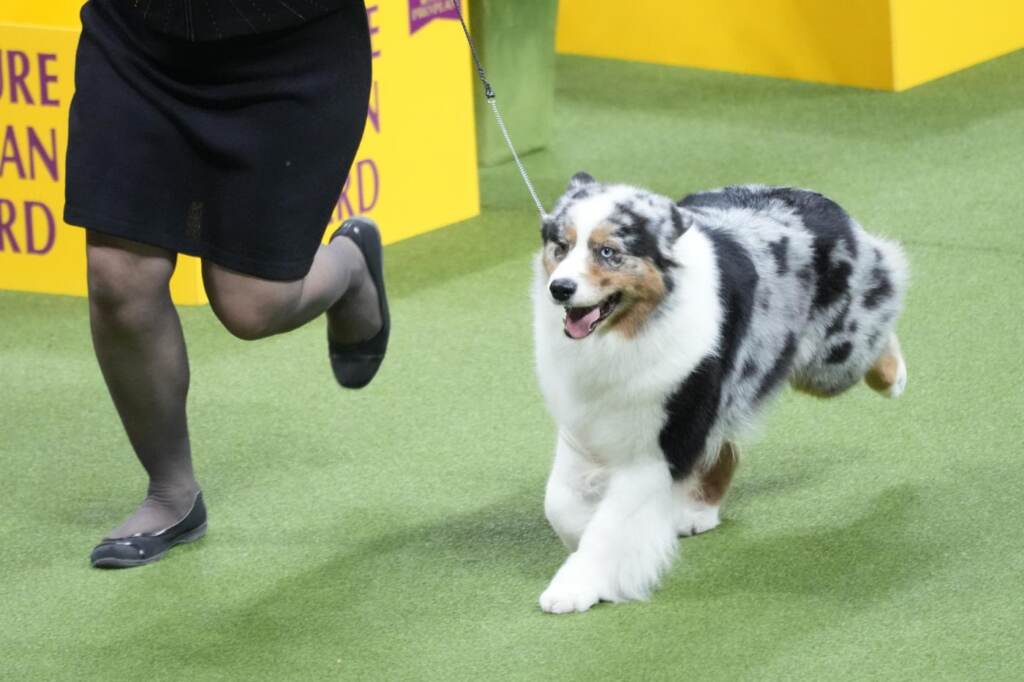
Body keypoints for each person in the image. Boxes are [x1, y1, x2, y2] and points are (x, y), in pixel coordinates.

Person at [64, 0, 389, 568]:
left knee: (252, 306)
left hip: (292, 49)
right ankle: (171, 494)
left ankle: (349, 267)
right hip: (138, 40)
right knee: (118, 276)